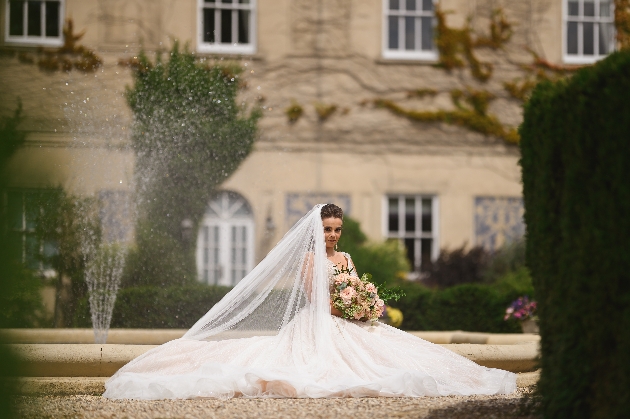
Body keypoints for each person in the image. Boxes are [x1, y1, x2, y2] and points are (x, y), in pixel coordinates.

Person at [104, 204, 516, 399]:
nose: (333, 235)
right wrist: (351, 306)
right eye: (327, 228)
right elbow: (319, 300)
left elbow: (353, 283)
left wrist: (369, 304)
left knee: (394, 353)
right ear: (316, 229)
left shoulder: (348, 258)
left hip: (352, 322)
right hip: (320, 322)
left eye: (337, 228)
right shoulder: (307, 259)